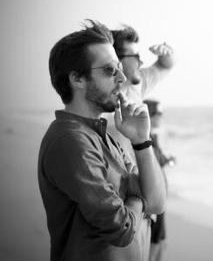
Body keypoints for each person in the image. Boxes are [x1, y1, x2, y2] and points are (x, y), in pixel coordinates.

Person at [38, 20, 166, 261]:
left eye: (119, 67)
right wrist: (138, 197)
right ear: (77, 79)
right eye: (109, 70)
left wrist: (141, 140)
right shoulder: (70, 140)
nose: (121, 78)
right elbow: (122, 229)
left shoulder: (103, 134)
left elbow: (158, 204)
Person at [109, 25, 174, 159]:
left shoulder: (136, 86)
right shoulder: (101, 98)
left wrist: (166, 53)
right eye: (136, 57)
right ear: (117, 60)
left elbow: (165, 65)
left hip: (140, 173)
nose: (142, 62)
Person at [144, 100, 176, 261]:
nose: (161, 117)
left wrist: (168, 160)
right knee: (156, 240)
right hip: (154, 198)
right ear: (149, 115)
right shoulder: (143, 139)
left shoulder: (151, 137)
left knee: (159, 239)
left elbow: (157, 162)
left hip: (158, 196)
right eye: (159, 114)